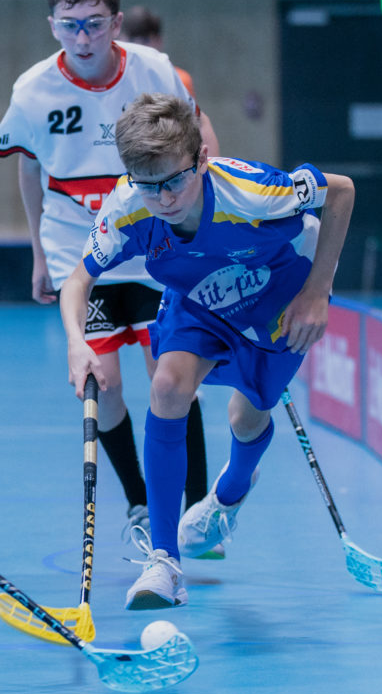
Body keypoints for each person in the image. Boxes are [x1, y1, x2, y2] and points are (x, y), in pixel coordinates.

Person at [59, 93, 354, 608]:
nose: (165, 198)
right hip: (198, 300)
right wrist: (76, 344)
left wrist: (317, 292)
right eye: (149, 186)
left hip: (276, 298)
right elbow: (79, 279)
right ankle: (165, 562)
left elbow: (342, 193)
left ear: (200, 160)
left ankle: (229, 496)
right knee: (167, 386)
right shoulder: (129, 206)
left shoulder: (251, 190)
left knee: (246, 417)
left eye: (175, 180)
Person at [0, 0, 222, 554]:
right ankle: (142, 502)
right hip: (79, 252)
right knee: (106, 384)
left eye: (94, 22)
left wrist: (211, 221)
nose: (83, 37)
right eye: (70, 24)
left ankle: (195, 510)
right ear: (52, 25)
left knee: (172, 377)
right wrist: (40, 252)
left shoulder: (154, 70)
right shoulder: (33, 91)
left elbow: (200, 139)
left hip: (152, 248)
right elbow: (29, 170)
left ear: (116, 21)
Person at [119, 6, 197, 99]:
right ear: (120, 40)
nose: (138, 47)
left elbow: (188, 113)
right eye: (132, 40)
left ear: (159, 41)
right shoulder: (110, 81)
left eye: (145, 40)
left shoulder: (178, 80)